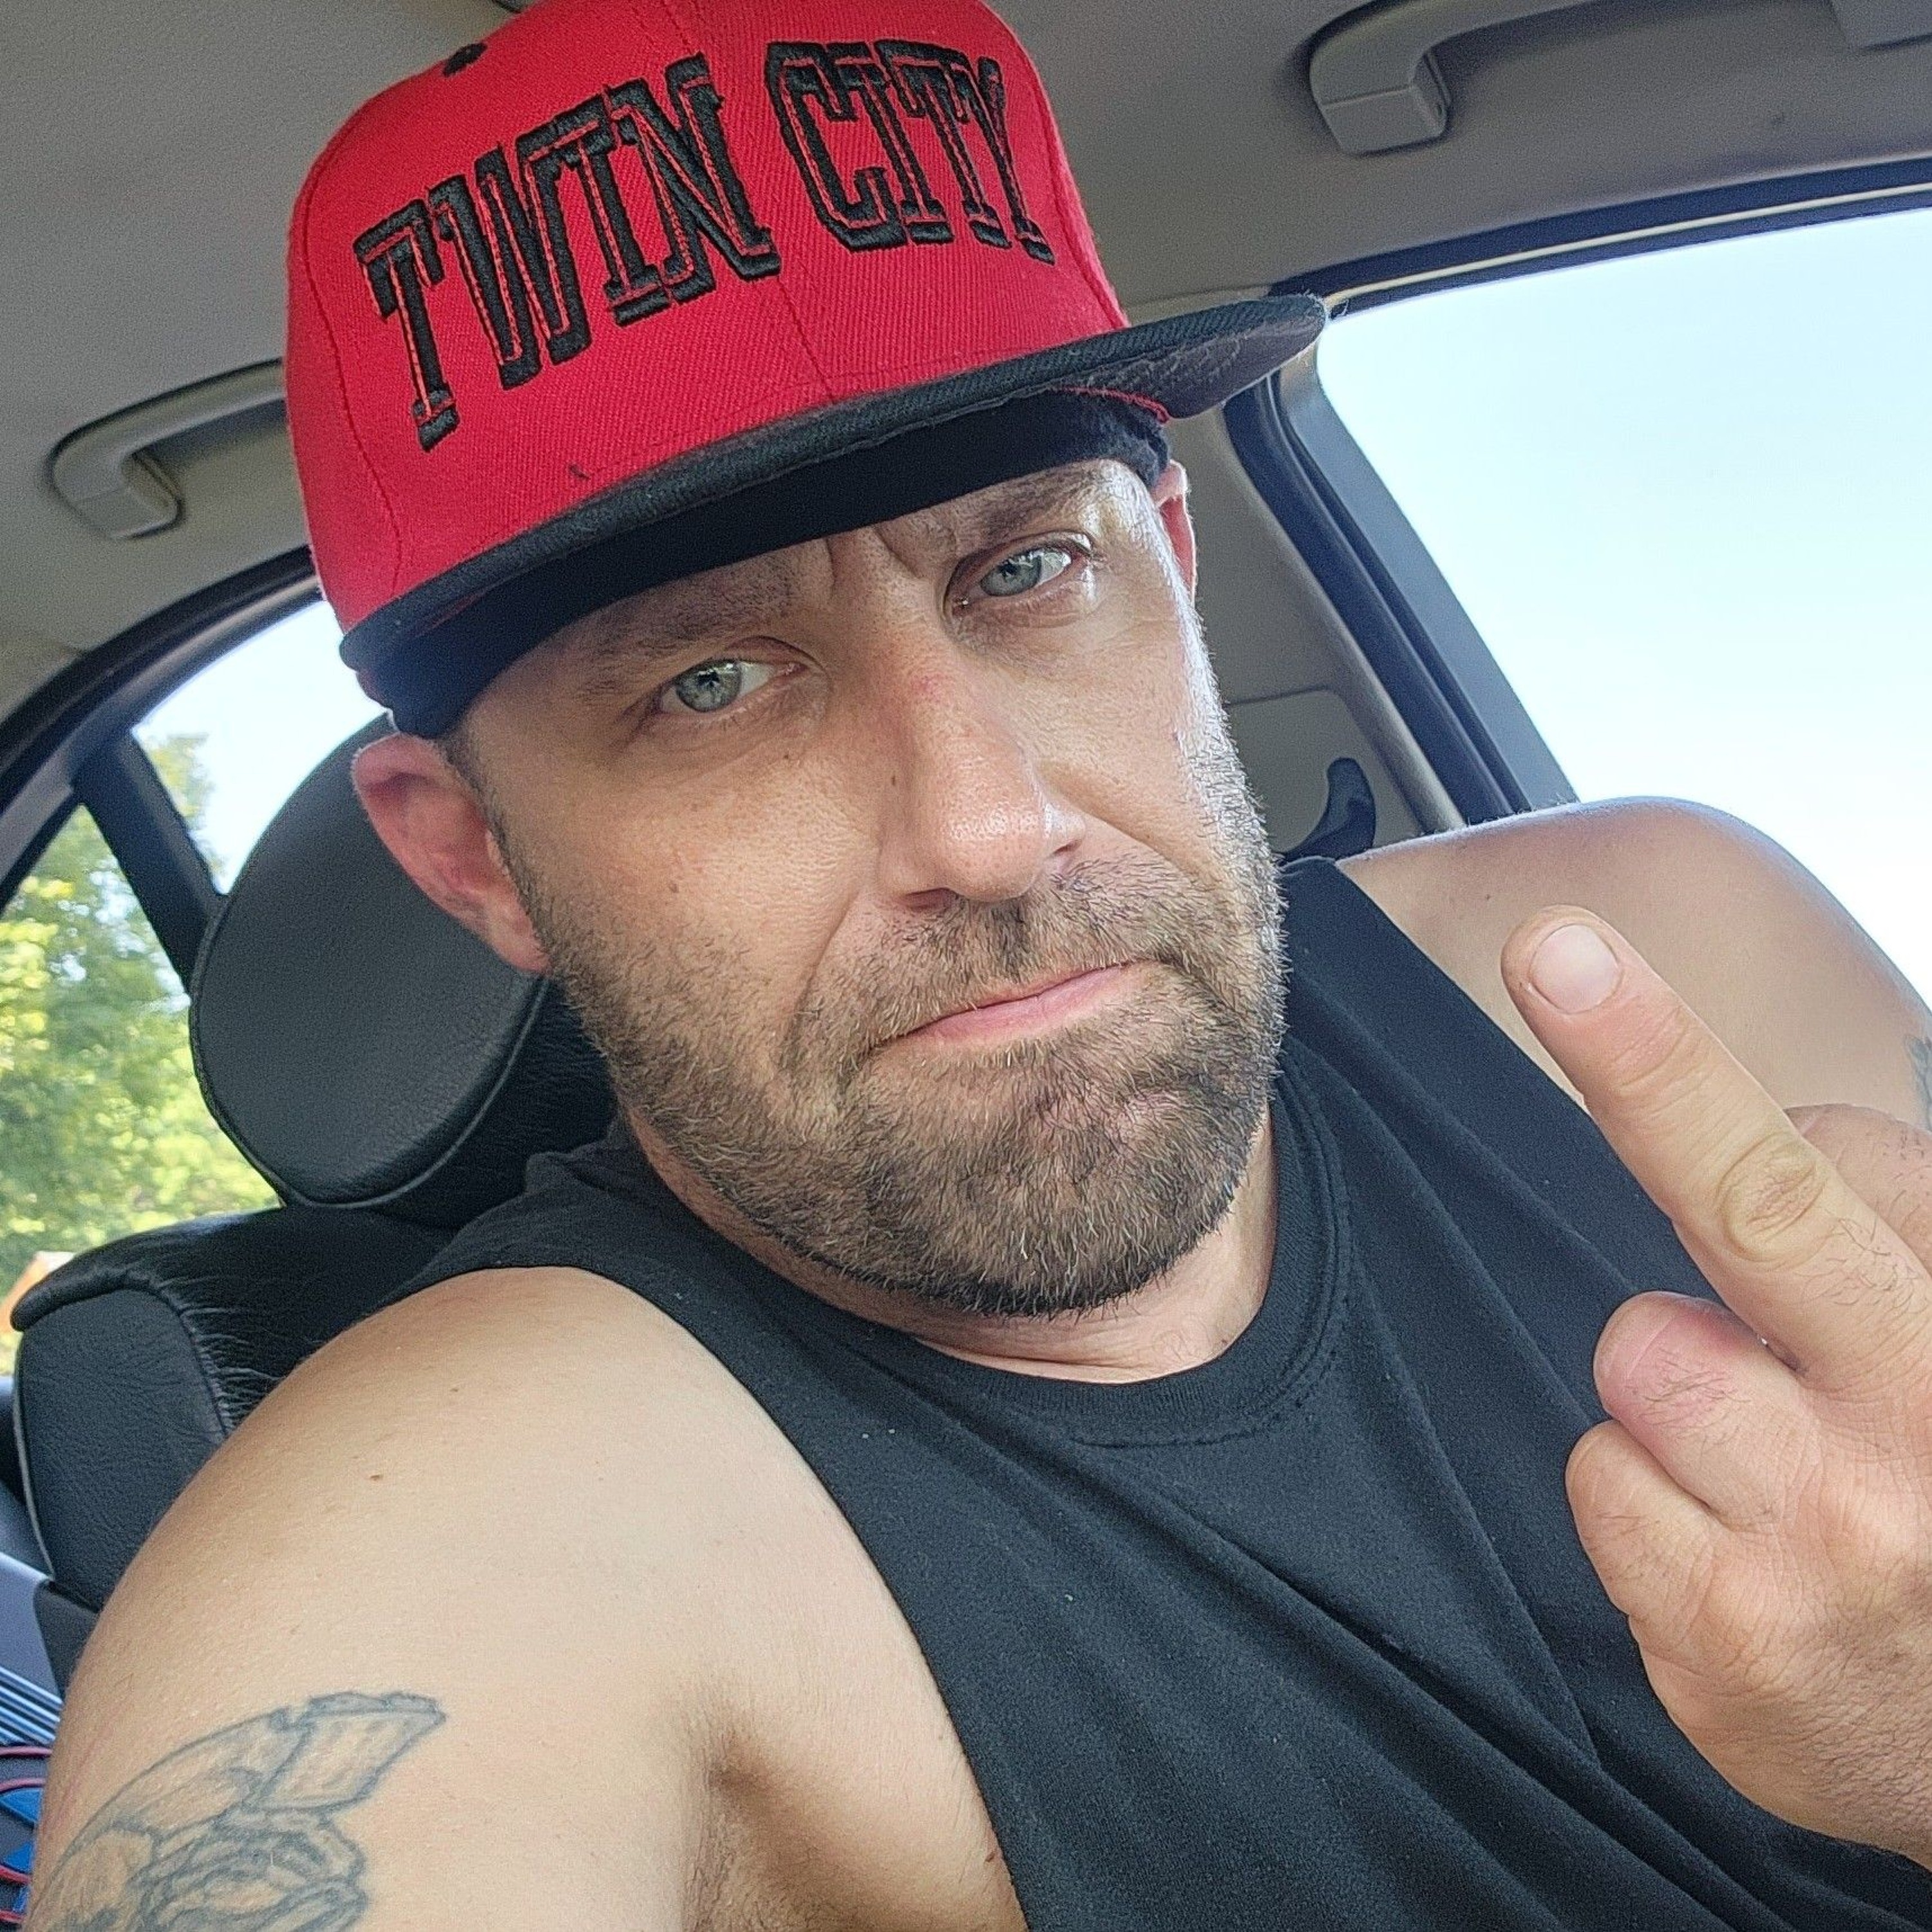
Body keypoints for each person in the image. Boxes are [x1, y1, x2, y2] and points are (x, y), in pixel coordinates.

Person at [24, 0, 1932, 1924]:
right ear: (470, 857)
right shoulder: (455, 1520)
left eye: (1025, 571)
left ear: (1172, 562)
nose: (989, 829)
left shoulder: (1661, 950)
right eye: (709, 683)